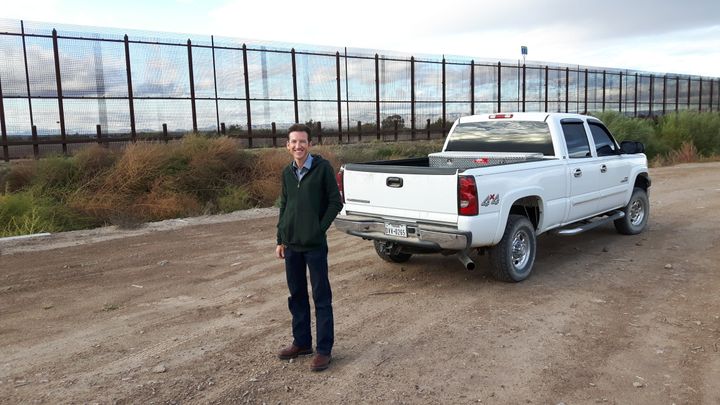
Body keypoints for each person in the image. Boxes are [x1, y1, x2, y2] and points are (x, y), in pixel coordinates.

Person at [275, 123, 343, 372]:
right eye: (293, 141)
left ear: (310, 144)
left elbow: (336, 202)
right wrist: (280, 239)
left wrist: (319, 228)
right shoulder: (287, 172)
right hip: (292, 245)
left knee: (321, 297)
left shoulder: (323, 168)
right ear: (287, 145)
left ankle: (324, 350)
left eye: (302, 141)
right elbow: (285, 206)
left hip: (314, 245)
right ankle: (302, 342)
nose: (298, 146)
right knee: (297, 296)